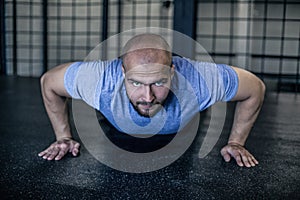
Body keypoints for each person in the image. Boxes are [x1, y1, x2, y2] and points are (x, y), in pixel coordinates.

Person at [38, 33, 265, 168]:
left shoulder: (200, 80)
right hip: (115, 129)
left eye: (158, 83)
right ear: (122, 73)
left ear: (173, 72)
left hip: (182, 132)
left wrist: (236, 142)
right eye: (136, 83)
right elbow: (49, 81)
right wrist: (64, 137)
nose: (148, 97)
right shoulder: (99, 79)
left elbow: (255, 87)